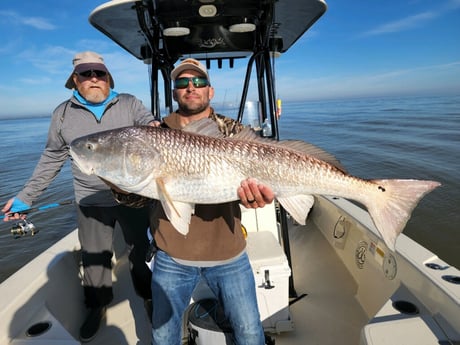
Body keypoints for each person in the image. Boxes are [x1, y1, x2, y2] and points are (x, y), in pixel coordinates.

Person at [1, 51, 156, 342]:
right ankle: (97, 305)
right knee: (94, 258)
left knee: (139, 250)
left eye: (99, 73)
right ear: (75, 80)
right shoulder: (62, 114)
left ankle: (147, 296)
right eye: (87, 74)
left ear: (108, 77)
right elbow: (51, 158)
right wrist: (26, 196)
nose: (94, 78)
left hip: (133, 196)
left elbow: (152, 130)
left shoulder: (129, 103)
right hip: (90, 199)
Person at [151, 58, 274, 345]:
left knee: (250, 332)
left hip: (228, 253)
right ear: (174, 92)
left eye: (198, 82)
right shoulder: (156, 133)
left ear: (210, 91)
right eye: (182, 82)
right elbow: (132, 197)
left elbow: (260, 176)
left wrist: (255, 199)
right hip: (172, 255)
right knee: (163, 335)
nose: (190, 87)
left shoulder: (232, 132)